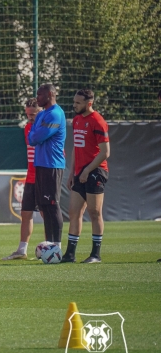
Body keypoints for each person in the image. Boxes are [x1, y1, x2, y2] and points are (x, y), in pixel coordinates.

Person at [64, 89, 110, 263]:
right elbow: (77, 147)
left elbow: (105, 152)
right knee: (73, 211)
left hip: (96, 171)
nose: (74, 105)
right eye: (74, 101)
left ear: (89, 103)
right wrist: (72, 172)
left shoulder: (98, 121)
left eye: (78, 103)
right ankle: (70, 254)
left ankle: (95, 255)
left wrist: (87, 170)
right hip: (80, 171)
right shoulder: (76, 120)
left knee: (94, 212)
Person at [28, 83, 67, 249]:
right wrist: (35, 133)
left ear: (50, 94)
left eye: (40, 95)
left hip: (53, 164)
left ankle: (56, 245)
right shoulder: (41, 115)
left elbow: (37, 136)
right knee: (43, 206)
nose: (37, 99)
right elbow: (32, 137)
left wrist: (36, 133)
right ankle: (50, 243)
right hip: (41, 164)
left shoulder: (55, 114)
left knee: (52, 204)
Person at [3, 99, 42, 260]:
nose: (30, 117)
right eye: (27, 114)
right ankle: (22, 250)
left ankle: (53, 246)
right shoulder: (28, 128)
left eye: (33, 114)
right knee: (26, 213)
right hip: (31, 176)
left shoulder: (47, 128)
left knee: (48, 213)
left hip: (44, 175)